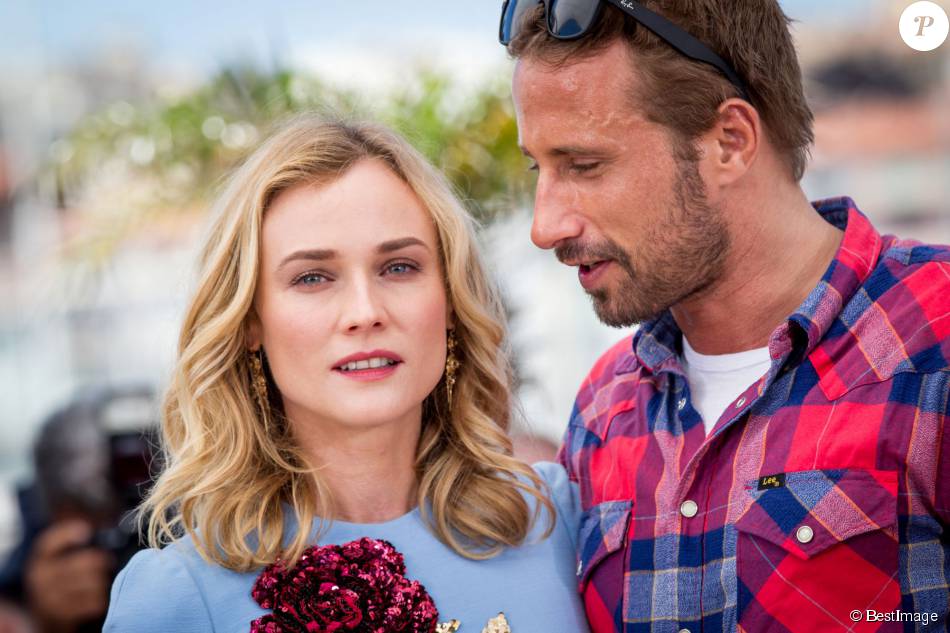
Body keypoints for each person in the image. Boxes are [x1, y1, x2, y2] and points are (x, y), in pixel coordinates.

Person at [501, 1, 950, 631]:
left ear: (729, 142)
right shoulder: (604, 409)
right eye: (538, 168)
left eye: (584, 166)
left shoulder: (937, 335)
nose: (545, 226)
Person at [102, 116, 589, 632]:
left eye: (398, 267)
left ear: (450, 299)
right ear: (249, 323)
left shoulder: (558, 519)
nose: (365, 311)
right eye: (313, 277)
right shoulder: (176, 596)